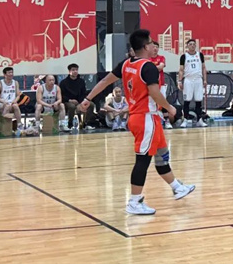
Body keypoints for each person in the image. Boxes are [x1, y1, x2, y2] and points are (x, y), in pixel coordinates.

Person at [80, 29, 195, 215]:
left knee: (162, 154)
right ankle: (134, 201)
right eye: (150, 43)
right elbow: (155, 94)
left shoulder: (126, 64)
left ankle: (177, 187)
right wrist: (170, 108)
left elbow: (105, 81)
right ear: (145, 47)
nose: (153, 46)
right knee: (142, 161)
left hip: (145, 117)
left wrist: (88, 98)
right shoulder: (148, 67)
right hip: (145, 118)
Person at [178, 39, 207, 128]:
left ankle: (199, 120)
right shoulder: (184, 56)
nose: (192, 45)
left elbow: (203, 68)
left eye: (194, 44)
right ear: (187, 46)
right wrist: (179, 81)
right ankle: (185, 120)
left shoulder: (200, 55)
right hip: (188, 80)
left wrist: (205, 80)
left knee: (198, 100)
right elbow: (181, 70)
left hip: (198, 79)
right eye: (190, 44)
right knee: (187, 101)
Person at [60, 63, 96, 131]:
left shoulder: (81, 81)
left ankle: (87, 123)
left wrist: (80, 102)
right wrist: (70, 100)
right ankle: (70, 124)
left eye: (76, 70)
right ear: (69, 71)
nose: (75, 71)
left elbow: (83, 93)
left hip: (79, 101)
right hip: (68, 101)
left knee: (91, 104)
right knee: (71, 106)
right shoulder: (63, 82)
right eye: (73, 70)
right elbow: (61, 95)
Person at [0, 66, 23, 131]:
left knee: (15, 106)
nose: (11, 74)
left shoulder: (15, 83)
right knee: (7, 106)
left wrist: (15, 101)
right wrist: (4, 101)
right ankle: (4, 126)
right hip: (1, 104)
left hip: (11, 103)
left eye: (12, 72)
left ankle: (19, 125)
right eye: (9, 73)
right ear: (5, 74)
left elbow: (18, 95)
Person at [150, 41, 170, 129]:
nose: (155, 49)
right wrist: (155, 68)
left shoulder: (161, 58)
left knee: (163, 102)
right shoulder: (147, 58)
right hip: (151, 85)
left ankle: (167, 121)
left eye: (157, 47)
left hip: (161, 84)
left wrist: (152, 68)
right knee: (152, 103)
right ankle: (155, 121)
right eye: (153, 47)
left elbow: (161, 67)